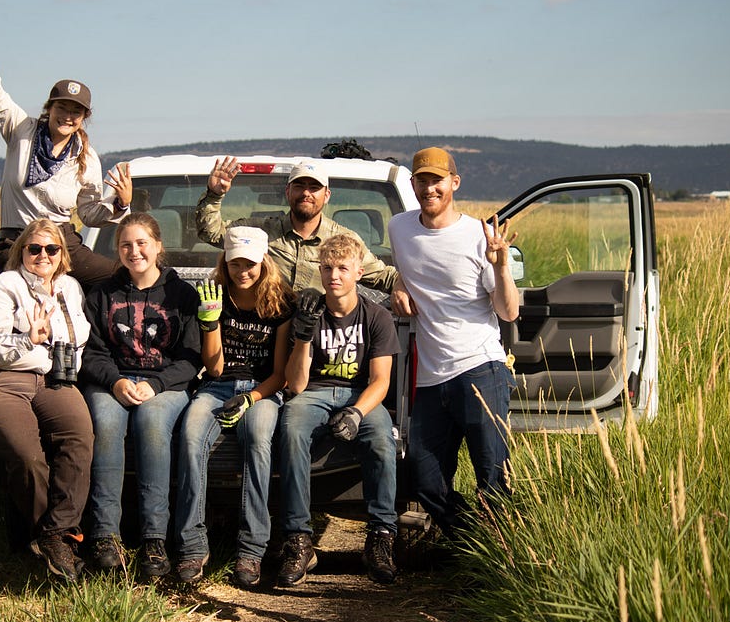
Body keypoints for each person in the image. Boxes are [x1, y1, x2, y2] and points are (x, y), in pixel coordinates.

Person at [387, 146, 519, 540]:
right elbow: (405, 268)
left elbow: (508, 311)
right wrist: (397, 282)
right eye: (422, 180)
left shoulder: (480, 236)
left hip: (481, 369)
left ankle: (501, 562)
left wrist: (501, 264)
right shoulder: (399, 228)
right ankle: (476, 546)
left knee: (493, 481)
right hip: (429, 380)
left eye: (437, 180)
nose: (430, 188)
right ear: (412, 185)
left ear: (454, 184)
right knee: (427, 484)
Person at [0, 1, 132, 289]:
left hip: (62, 241)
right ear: (49, 108)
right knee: (35, 288)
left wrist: (120, 203)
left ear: (84, 117)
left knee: (121, 278)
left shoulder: (86, 157)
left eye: (75, 111)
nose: (67, 116)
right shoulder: (21, 130)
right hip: (17, 241)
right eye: (61, 108)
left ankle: (95, 333)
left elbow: (88, 212)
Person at [0, 218, 93, 582]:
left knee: (79, 437)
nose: (43, 255)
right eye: (35, 248)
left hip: (52, 378)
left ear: (62, 254)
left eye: (52, 248)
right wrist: (26, 340)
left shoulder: (71, 288)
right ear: (22, 251)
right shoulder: (5, 285)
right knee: (28, 456)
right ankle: (52, 540)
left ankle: (55, 534)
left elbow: (78, 341)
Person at [79, 212, 201, 578]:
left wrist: (158, 384)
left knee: (151, 424)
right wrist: (115, 382)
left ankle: (153, 540)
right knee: (104, 423)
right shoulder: (101, 295)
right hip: (111, 382)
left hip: (164, 383)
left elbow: (191, 357)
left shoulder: (182, 294)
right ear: (117, 250)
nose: (135, 251)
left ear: (158, 246)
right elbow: (91, 352)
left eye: (142, 243)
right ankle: (104, 537)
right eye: (126, 245)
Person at [276, 234, 400, 587]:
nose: (334, 275)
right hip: (313, 393)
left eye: (343, 268)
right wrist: (302, 339)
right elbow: (296, 385)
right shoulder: (310, 311)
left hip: (360, 395)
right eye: (327, 267)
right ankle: (299, 538)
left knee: (380, 438)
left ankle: (380, 537)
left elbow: (381, 381)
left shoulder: (376, 316)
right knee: (292, 429)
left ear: (359, 272)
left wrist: (356, 413)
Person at [173, 227, 294, 587]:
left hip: (262, 390)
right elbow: (214, 368)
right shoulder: (215, 296)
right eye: (235, 263)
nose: (243, 271)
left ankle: (251, 549)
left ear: (264, 263)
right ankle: (192, 545)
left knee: (258, 438)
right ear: (224, 262)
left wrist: (251, 398)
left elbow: (281, 375)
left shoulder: (281, 304)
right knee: (192, 436)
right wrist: (209, 323)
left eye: (251, 264)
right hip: (218, 385)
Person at [195, 158, 411, 314]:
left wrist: (402, 286)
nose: (306, 193)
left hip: (318, 342)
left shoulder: (344, 241)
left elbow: (385, 277)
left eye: (314, 187)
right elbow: (211, 231)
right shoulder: (260, 232)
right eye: (299, 186)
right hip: (264, 337)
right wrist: (215, 194)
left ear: (326, 195)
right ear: (288, 192)